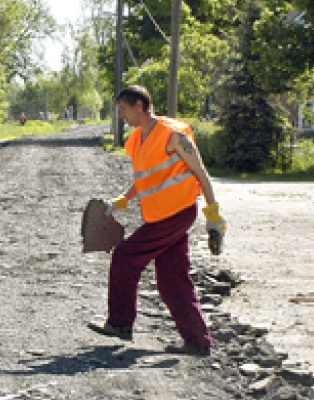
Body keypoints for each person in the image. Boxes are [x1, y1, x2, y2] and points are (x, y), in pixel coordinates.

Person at [88, 85, 226, 356]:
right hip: (160, 215)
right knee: (172, 279)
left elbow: (201, 173)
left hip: (177, 212)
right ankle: (198, 341)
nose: (122, 116)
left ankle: (120, 323)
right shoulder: (137, 140)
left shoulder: (172, 134)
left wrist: (214, 217)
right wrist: (121, 201)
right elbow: (144, 180)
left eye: (124, 109)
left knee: (126, 256)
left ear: (140, 105)